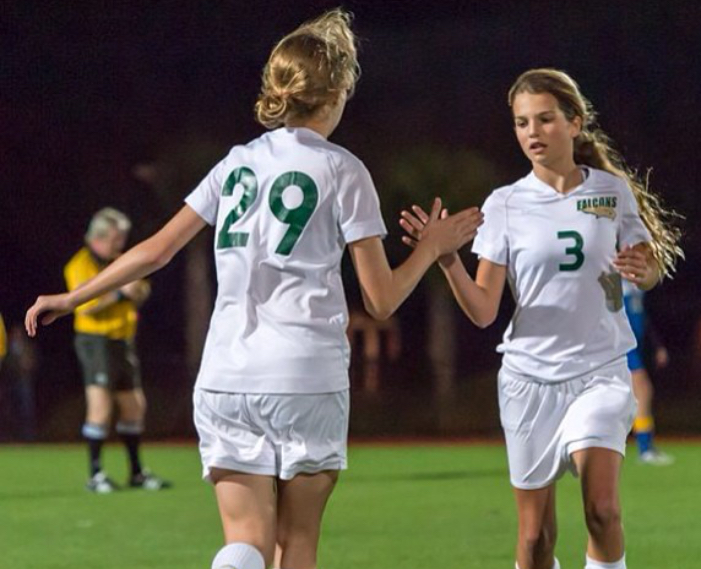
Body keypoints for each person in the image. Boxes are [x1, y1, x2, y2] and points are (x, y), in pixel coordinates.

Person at [26, 9, 482, 569]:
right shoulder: (343, 170)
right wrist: (432, 249)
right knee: (297, 546)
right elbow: (381, 299)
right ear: (337, 92)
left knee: (245, 544)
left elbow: (155, 250)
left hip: (225, 378)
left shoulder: (237, 164)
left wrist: (73, 297)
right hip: (305, 378)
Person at [401, 68, 682, 569]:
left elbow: (648, 264)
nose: (532, 132)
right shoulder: (505, 204)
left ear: (574, 123)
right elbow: (485, 310)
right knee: (534, 542)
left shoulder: (610, 193)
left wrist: (648, 268)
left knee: (602, 510)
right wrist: (446, 259)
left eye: (545, 119)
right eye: (521, 122)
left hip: (599, 371)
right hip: (529, 381)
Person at [63, 207, 169, 493]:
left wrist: (137, 291)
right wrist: (121, 292)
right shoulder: (79, 265)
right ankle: (95, 475)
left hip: (123, 341)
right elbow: (86, 307)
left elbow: (142, 289)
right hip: (95, 340)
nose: (120, 243)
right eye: (115, 237)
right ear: (97, 238)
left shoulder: (120, 260)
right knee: (100, 405)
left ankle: (136, 472)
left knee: (134, 405)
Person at [622, 280, 673, 465]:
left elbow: (643, 320)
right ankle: (645, 449)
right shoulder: (616, 286)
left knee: (640, 393)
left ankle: (645, 447)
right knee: (642, 391)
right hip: (622, 347)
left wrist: (657, 345)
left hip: (633, 347)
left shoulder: (635, 288)